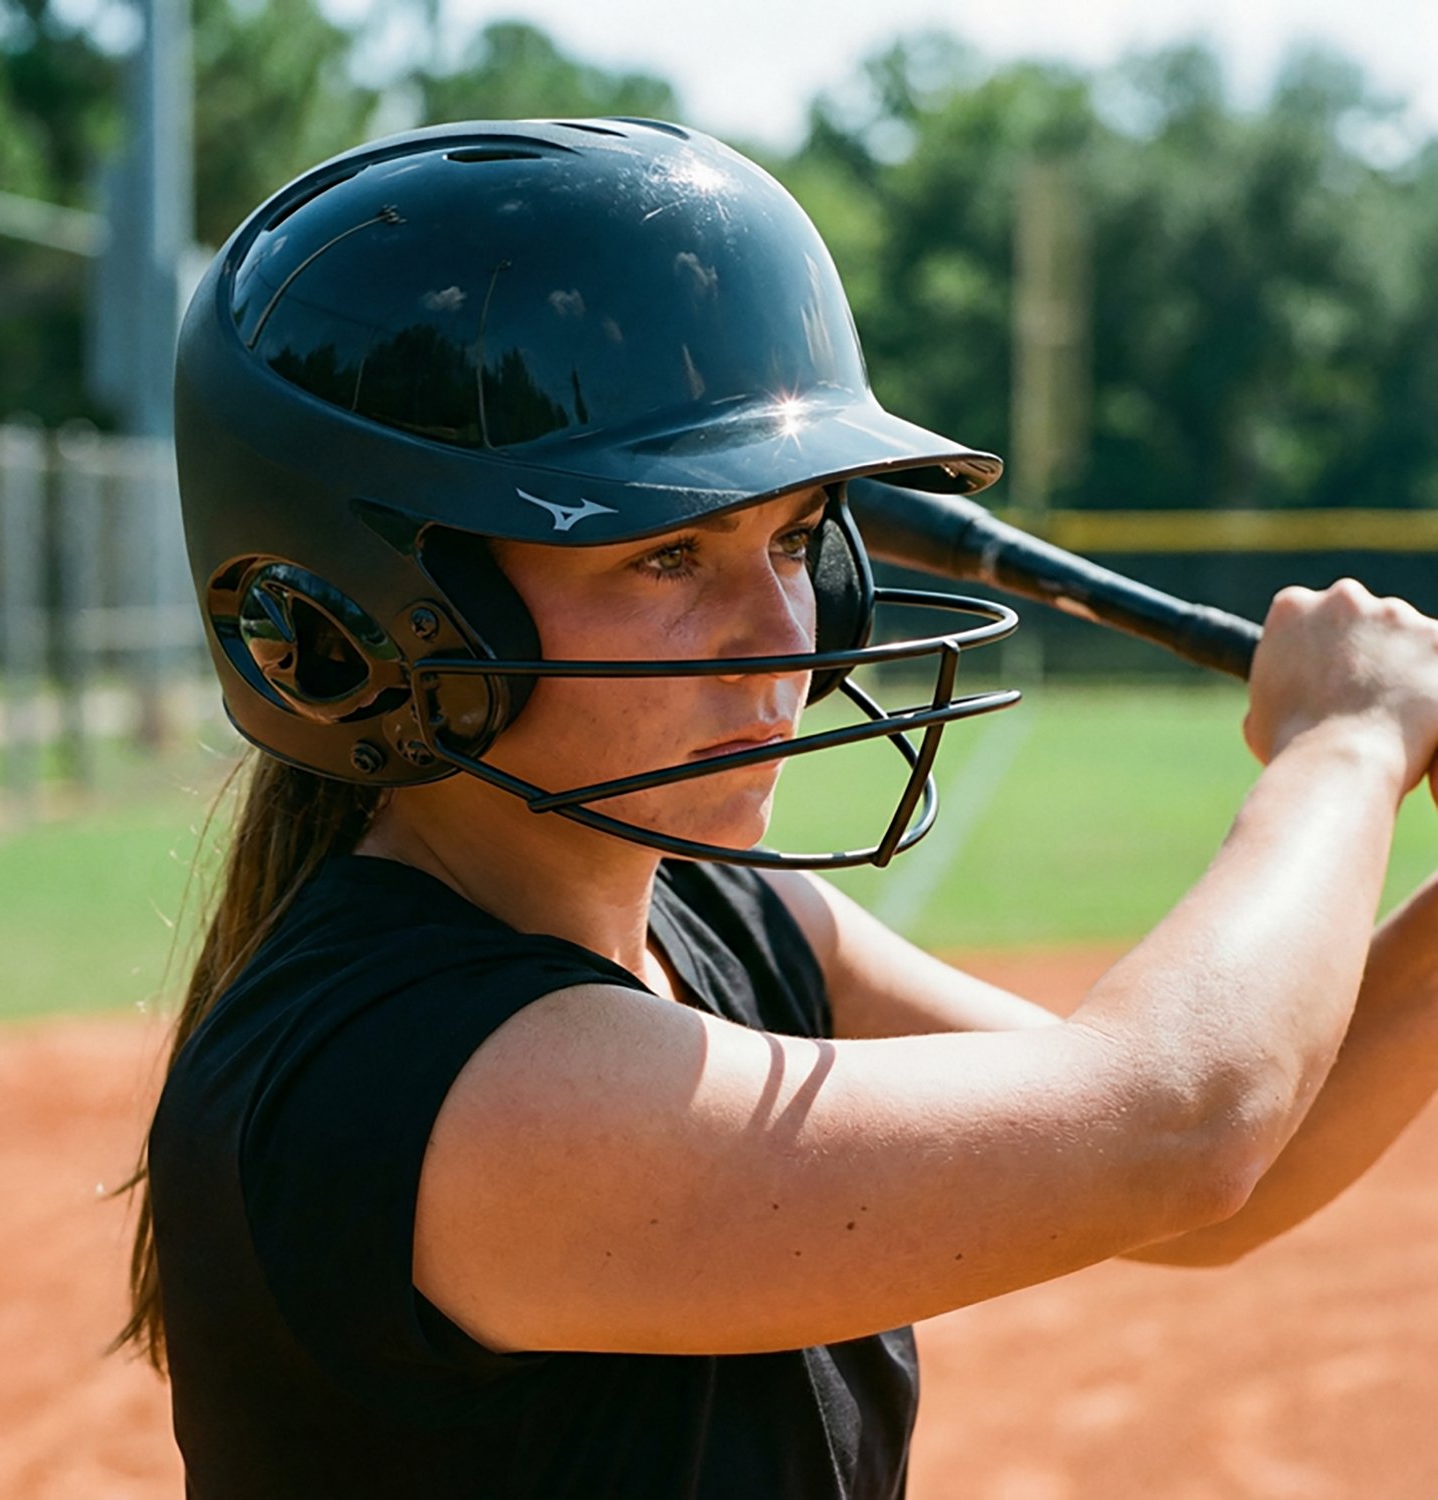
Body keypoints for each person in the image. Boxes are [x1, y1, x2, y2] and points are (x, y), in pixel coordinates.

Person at [122, 119, 1438, 1499]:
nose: (788, 636)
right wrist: (1346, 742)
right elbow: (1178, 1128)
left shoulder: (731, 927)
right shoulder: (425, 1085)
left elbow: (1253, 1150)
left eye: (799, 537)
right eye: (668, 554)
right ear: (371, 624)